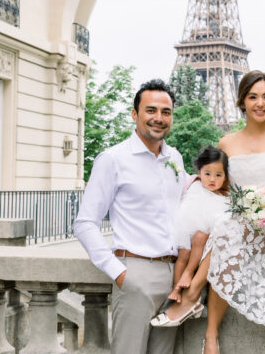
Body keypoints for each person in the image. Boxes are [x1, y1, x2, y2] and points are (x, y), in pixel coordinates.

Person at [161, 70, 265, 354]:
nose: (259, 103)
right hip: (237, 220)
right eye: (253, 96)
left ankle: (189, 298)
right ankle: (211, 335)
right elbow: (219, 188)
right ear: (242, 101)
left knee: (228, 233)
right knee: (226, 230)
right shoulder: (226, 143)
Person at [74, 79, 185, 354]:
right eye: (151, 110)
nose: (158, 118)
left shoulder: (176, 158)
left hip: (174, 277)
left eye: (166, 112)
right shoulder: (113, 159)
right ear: (135, 114)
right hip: (136, 272)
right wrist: (120, 273)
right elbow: (85, 222)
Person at [150, 146, 230, 327]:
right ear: (199, 172)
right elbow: (173, 177)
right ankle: (177, 291)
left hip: (203, 238)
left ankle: (187, 278)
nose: (212, 179)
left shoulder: (224, 197)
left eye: (218, 175)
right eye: (207, 173)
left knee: (200, 238)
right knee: (183, 254)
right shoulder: (194, 186)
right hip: (187, 228)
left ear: (225, 177)